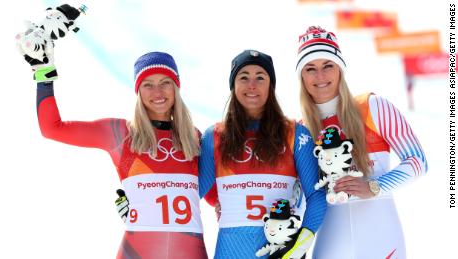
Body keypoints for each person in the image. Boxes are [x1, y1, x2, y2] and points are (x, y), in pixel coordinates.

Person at [26, 49, 209, 258]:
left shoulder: (193, 138)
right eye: (147, 84)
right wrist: (44, 74)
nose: (157, 92)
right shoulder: (120, 133)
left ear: (176, 88)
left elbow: (219, 195)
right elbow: (52, 128)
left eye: (165, 82)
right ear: (138, 91)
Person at [295, 26, 428, 259]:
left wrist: (374, 187)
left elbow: (418, 162)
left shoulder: (373, 107)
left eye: (328, 65)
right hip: (331, 241)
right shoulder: (300, 130)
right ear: (302, 76)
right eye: (310, 68)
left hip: (381, 236)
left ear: (340, 70)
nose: (321, 76)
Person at [198, 49, 327, 259]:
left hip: (280, 252)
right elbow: (190, 192)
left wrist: (299, 245)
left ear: (271, 86)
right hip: (230, 252)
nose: (252, 85)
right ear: (233, 86)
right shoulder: (215, 136)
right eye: (244, 77)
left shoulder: (295, 134)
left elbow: (316, 195)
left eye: (260, 77)